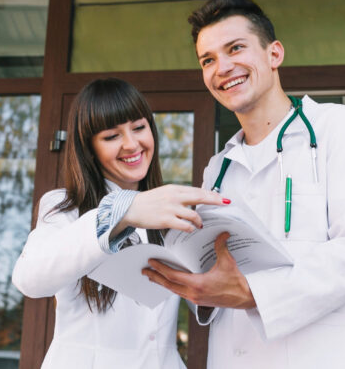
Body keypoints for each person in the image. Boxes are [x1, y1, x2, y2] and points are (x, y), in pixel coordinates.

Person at [142, 0, 345, 368]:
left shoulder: (340, 128)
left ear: (274, 54)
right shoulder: (218, 168)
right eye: (207, 60)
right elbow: (218, 270)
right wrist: (195, 284)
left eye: (235, 48)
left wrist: (251, 292)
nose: (222, 68)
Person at [12, 78, 228, 369]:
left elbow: (200, 299)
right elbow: (31, 279)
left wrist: (211, 287)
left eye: (139, 128)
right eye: (112, 136)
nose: (132, 144)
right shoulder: (64, 206)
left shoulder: (171, 214)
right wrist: (121, 211)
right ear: (89, 149)